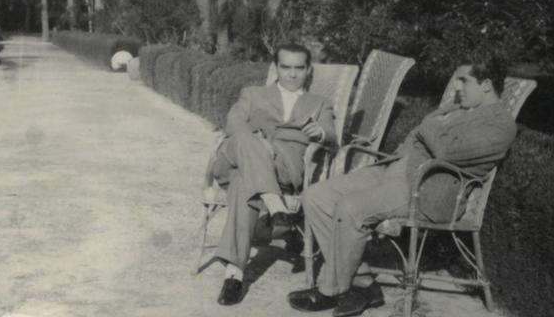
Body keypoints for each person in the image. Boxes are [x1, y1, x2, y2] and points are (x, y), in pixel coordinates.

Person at [287, 60, 516, 317]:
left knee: (351, 208)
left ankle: (331, 289)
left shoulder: (500, 125)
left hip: (424, 186)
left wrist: (429, 124)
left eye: (464, 81)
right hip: (393, 168)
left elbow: (446, 152)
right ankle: (363, 280)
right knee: (316, 196)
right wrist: (432, 125)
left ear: (486, 85)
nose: (457, 87)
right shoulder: (455, 108)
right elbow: (431, 137)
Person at [206, 43, 336, 306]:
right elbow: (233, 123)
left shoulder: (319, 103)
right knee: (243, 139)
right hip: (235, 159)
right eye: (285, 67)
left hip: (283, 167)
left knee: (244, 183)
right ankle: (275, 204)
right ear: (276, 68)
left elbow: (332, 135)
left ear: (308, 70)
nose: (292, 74)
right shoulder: (253, 93)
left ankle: (234, 273)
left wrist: (319, 134)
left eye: (299, 68)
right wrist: (259, 144)